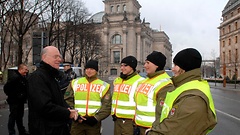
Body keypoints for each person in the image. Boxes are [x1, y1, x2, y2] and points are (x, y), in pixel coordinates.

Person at [145, 48, 217, 135]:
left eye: (175, 65)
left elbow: (173, 130)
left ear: (184, 68)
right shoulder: (181, 86)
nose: (173, 69)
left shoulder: (193, 98)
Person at [27, 46, 78, 135]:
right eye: (55, 57)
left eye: (59, 57)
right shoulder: (37, 77)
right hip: (45, 130)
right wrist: (67, 113)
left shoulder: (51, 76)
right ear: (44, 57)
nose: (59, 60)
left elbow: (58, 101)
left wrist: (69, 110)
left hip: (55, 128)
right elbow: (44, 107)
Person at [64, 59, 112, 135]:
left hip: (93, 123)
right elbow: (67, 100)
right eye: (87, 69)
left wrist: (96, 118)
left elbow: (107, 106)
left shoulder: (104, 85)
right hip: (77, 122)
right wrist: (74, 115)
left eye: (92, 69)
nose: (89, 71)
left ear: (96, 71)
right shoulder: (75, 83)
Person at [134, 51, 174, 135]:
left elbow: (164, 112)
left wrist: (155, 130)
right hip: (138, 125)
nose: (145, 66)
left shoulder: (165, 83)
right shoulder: (145, 81)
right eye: (145, 63)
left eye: (148, 63)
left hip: (152, 129)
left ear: (156, 65)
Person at [111, 56, 145, 135]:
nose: (122, 68)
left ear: (132, 67)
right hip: (117, 119)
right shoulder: (117, 80)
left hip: (130, 121)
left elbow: (142, 102)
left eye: (125, 65)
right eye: (121, 65)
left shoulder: (140, 81)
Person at [4, 63, 29, 135]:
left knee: (19, 117)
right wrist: (13, 96)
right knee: (13, 117)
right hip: (14, 101)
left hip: (20, 101)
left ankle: (22, 131)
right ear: (20, 69)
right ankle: (11, 132)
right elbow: (6, 88)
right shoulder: (14, 78)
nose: (27, 71)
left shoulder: (22, 77)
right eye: (25, 69)